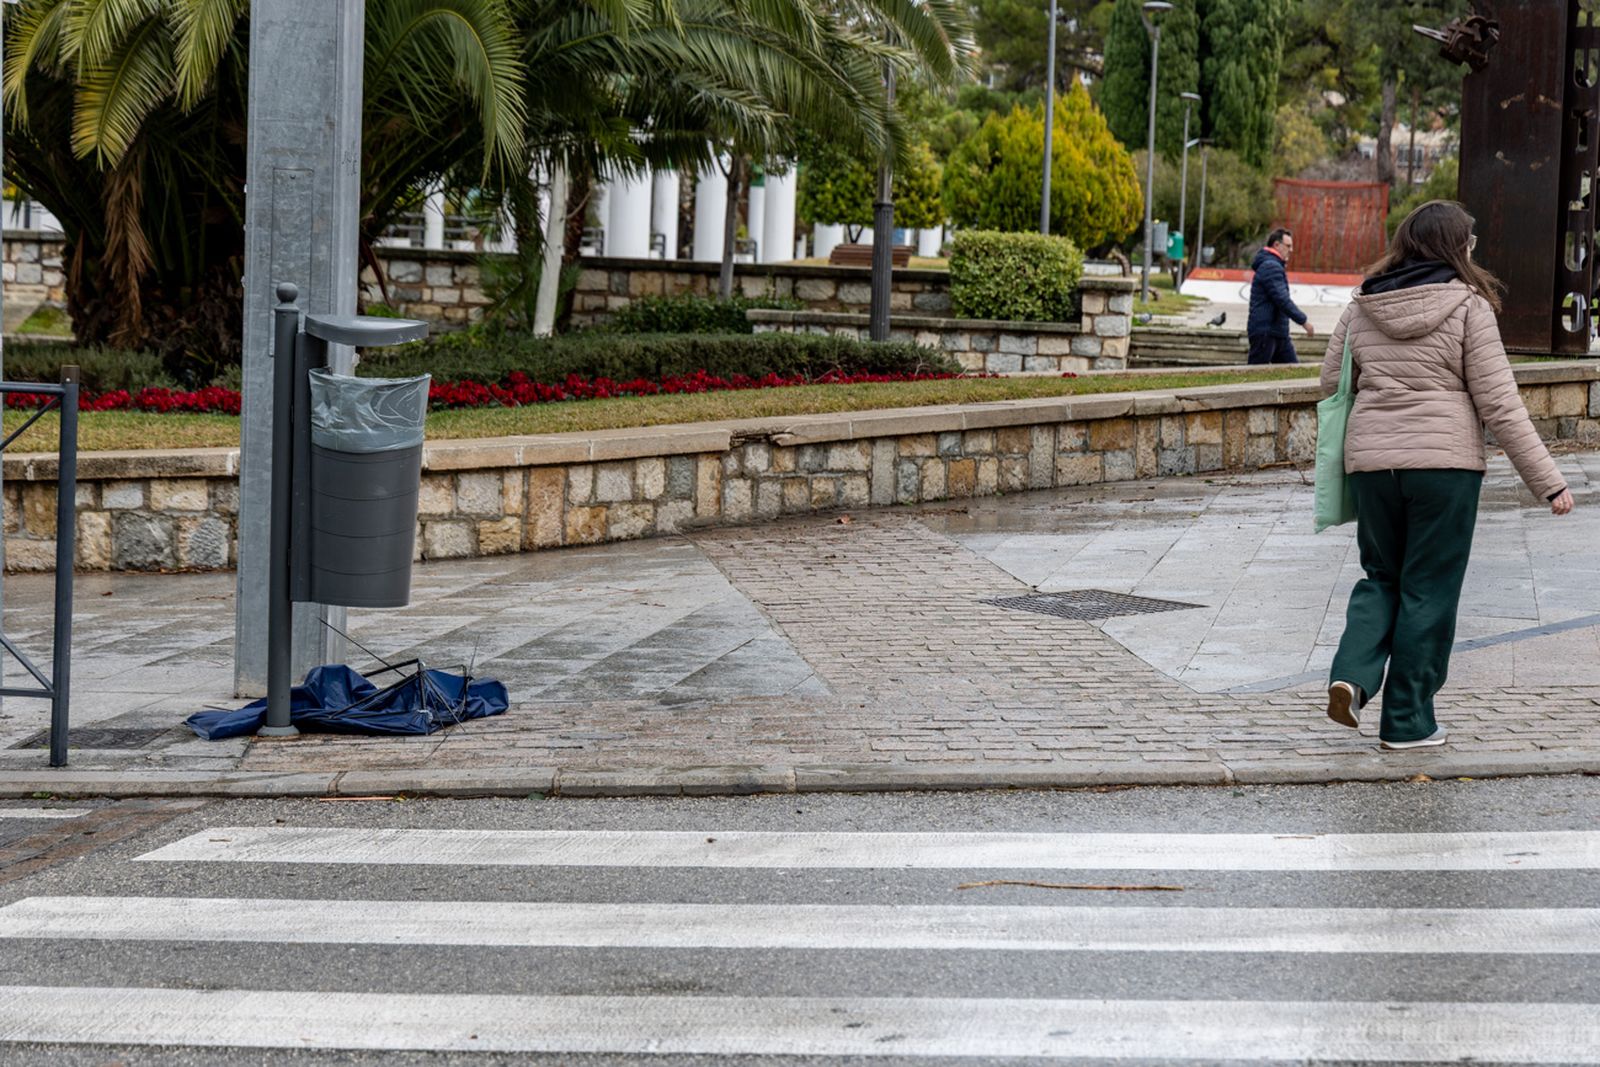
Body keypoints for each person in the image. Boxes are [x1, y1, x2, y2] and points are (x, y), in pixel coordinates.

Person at [1320, 200, 1574, 750]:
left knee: (1380, 577)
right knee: (1428, 589)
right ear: (1456, 247)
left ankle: (1352, 676)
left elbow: (1330, 383)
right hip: (1444, 468)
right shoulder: (1468, 306)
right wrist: (1548, 481)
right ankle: (1407, 722)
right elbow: (1500, 404)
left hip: (1372, 466)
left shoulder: (1361, 305)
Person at [1247, 228, 1315, 363]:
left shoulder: (1273, 265)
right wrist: (1304, 322)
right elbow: (1282, 299)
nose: (1291, 250)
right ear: (1276, 245)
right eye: (1288, 246)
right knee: (1255, 373)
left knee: (1292, 372)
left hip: (1278, 332)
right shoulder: (1270, 266)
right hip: (1265, 332)